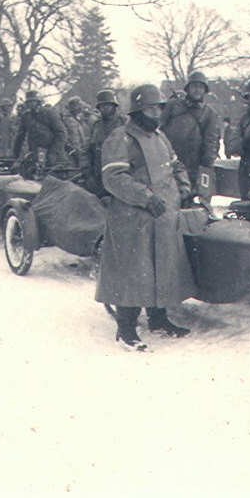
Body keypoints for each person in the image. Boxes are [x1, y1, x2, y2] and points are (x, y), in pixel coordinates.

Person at [96, 84, 194, 350]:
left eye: (159, 108)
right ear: (138, 111)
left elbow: (176, 164)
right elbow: (113, 177)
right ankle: (126, 329)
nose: (156, 113)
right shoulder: (121, 138)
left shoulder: (160, 137)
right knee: (133, 272)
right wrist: (146, 197)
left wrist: (183, 187)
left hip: (163, 215)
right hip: (133, 218)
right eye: (151, 108)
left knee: (160, 268)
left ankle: (158, 319)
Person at [160, 71, 220, 199]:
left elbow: (211, 141)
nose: (197, 90)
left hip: (194, 165)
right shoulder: (173, 106)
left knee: (191, 200)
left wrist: (206, 166)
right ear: (188, 89)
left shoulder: (209, 113)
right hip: (170, 161)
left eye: (201, 87)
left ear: (205, 90)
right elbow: (159, 129)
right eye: (194, 86)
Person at [81, 89, 126, 197]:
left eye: (107, 105)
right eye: (102, 106)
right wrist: (87, 173)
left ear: (114, 106)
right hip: (99, 175)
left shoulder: (125, 123)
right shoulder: (96, 126)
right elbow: (87, 150)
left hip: (121, 174)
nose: (104, 108)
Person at [12, 90, 68, 168]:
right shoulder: (26, 116)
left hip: (54, 152)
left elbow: (61, 133)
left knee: (55, 175)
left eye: (32, 101)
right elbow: (20, 137)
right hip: (35, 153)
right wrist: (15, 155)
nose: (30, 104)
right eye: (28, 102)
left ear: (38, 102)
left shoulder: (49, 113)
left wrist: (53, 151)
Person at [62, 96, 92, 168]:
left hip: (78, 151)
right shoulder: (69, 120)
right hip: (72, 153)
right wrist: (76, 150)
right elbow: (74, 137)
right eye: (79, 107)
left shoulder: (76, 119)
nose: (81, 109)